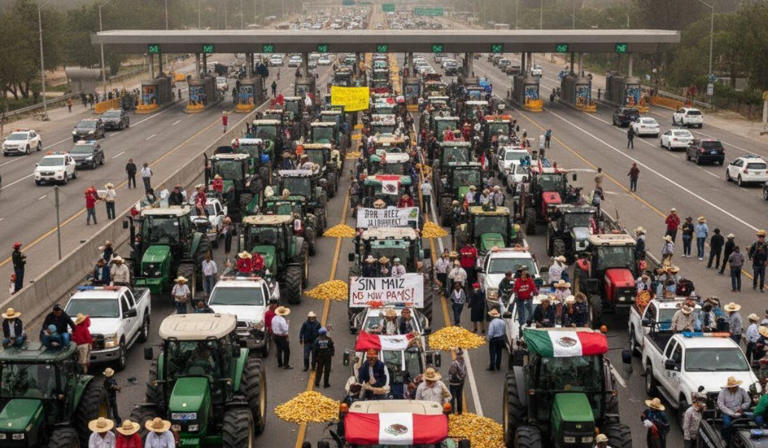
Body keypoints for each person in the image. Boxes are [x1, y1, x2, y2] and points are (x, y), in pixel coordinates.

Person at [717, 376, 751, 444]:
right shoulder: (723, 392)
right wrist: (730, 413)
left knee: (748, 422)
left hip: (739, 411)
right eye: (732, 387)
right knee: (727, 425)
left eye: (735, 387)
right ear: (729, 387)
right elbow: (720, 404)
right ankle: (727, 442)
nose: (734, 388)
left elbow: (748, 401)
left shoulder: (741, 390)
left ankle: (746, 440)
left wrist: (742, 407)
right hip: (727, 412)